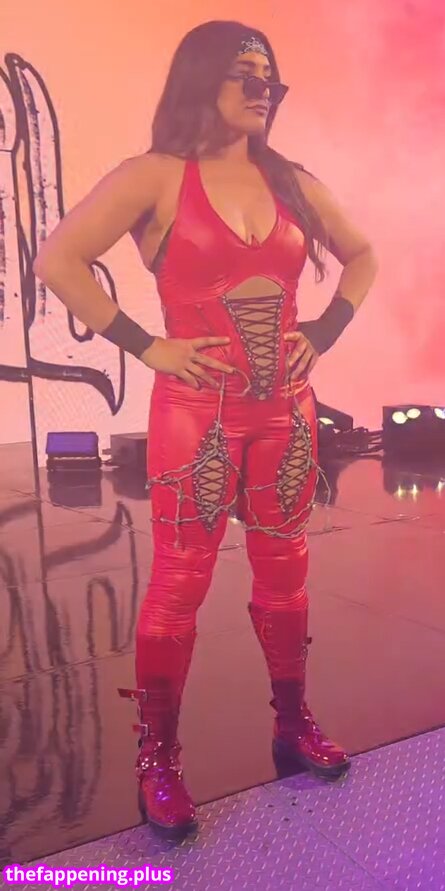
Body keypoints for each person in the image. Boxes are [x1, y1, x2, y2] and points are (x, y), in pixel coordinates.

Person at [34, 20, 378, 837]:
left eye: (271, 81)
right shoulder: (154, 175)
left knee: (286, 579)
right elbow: (58, 259)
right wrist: (147, 345)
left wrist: (324, 330)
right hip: (195, 416)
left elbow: (361, 253)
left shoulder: (289, 180)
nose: (263, 92)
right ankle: (157, 755)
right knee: (177, 585)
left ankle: (291, 722)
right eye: (246, 77)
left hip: (285, 414)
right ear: (202, 78)